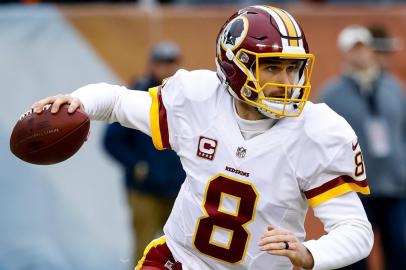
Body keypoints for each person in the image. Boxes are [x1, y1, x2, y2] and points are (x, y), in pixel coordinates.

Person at [31, 6, 373, 270]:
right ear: (235, 66)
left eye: (292, 68)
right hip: (180, 260)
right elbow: (118, 101)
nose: (286, 80)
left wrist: (311, 253)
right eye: (272, 67)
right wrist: (79, 102)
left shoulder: (317, 130)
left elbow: (356, 230)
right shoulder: (197, 98)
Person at [318, 25, 406, 270]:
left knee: (400, 249)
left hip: (395, 187)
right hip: (355, 190)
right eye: (354, 50)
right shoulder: (330, 95)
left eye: (363, 48)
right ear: (344, 54)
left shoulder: (394, 88)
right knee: (355, 256)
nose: (360, 55)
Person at [103, 41, 185, 262]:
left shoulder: (187, 99)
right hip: (145, 190)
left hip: (179, 191)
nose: (167, 68)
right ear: (151, 65)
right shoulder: (139, 96)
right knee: (144, 253)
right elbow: (112, 141)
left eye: (171, 62)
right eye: (161, 62)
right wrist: (138, 166)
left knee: (184, 254)